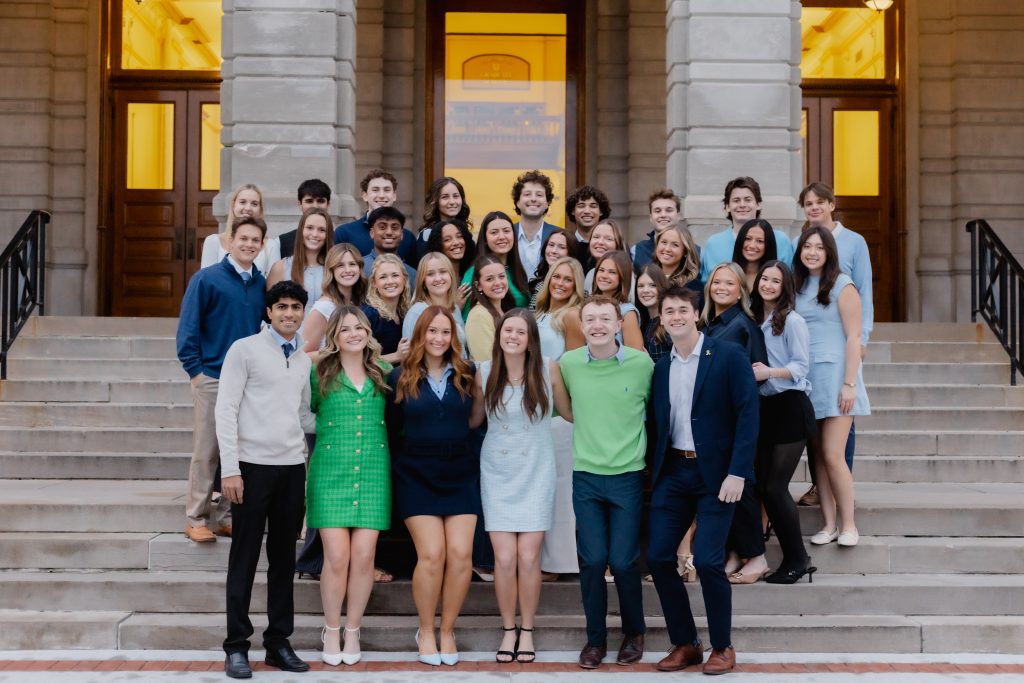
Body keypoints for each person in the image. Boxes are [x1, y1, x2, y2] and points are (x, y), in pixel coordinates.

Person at [645, 286, 760, 676]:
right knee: (659, 556)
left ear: (697, 314)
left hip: (718, 475)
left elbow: (748, 414)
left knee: (710, 561)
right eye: (668, 310)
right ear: (660, 318)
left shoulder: (726, 356)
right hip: (674, 472)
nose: (675, 316)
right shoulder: (661, 367)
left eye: (682, 309)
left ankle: (722, 646)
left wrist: (738, 472)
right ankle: (686, 643)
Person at [216, 281, 316, 679]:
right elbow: (225, 409)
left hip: (291, 470)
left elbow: (305, 414)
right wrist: (230, 468)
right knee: (243, 558)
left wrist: (343, 423)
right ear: (269, 311)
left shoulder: (304, 359)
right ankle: (236, 646)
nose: (289, 314)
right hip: (251, 468)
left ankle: (278, 642)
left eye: (296, 307)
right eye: (282, 307)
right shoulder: (245, 350)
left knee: (282, 561)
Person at [558, 295, 654, 669]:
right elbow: (564, 409)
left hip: (628, 475)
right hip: (587, 476)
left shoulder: (641, 364)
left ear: (619, 324)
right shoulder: (569, 364)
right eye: (590, 319)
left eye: (605, 319)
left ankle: (634, 632)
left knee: (625, 561)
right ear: (582, 327)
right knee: (593, 560)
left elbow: (657, 411)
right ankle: (595, 640)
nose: (597, 325)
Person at [385, 307, 485, 666]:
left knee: (460, 556)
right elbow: (393, 429)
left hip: (459, 473)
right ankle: (425, 630)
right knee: (432, 555)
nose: (439, 339)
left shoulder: (468, 373)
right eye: (432, 332)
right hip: (416, 473)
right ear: (420, 335)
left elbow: (475, 422)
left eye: (445, 332)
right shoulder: (400, 376)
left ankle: (447, 630)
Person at [479, 309, 570, 663]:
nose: (513, 336)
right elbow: (475, 418)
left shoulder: (549, 369)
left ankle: (528, 631)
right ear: (499, 335)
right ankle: (507, 630)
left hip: (536, 469)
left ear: (531, 338)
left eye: (520, 331)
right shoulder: (483, 372)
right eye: (507, 330)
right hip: (497, 470)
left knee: (529, 558)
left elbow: (568, 412)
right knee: (504, 559)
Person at [307, 305, 393, 667]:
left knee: (363, 557)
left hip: (373, 471)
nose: (354, 334)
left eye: (359, 328)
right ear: (334, 337)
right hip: (330, 472)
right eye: (345, 330)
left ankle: (353, 629)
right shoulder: (319, 372)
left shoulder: (383, 370)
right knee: (337, 556)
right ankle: (331, 628)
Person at [177, 215, 269, 544]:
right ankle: (197, 517)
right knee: (207, 449)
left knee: (241, 449)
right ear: (230, 241)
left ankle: (229, 515)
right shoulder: (206, 279)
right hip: (212, 376)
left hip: (248, 381)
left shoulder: (261, 284)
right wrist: (196, 372)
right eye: (243, 238)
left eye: (255, 240)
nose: (248, 244)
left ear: (262, 245)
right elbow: (187, 329)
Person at [793, 181, 873, 506]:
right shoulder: (799, 242)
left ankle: (843, 488)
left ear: (831, 204)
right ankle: (818, 488)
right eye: (808, 203)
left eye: (819, 202)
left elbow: (864, 292)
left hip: (843, 343)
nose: (813, 208)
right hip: (811, 352)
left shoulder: (854, 242)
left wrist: (863, 336)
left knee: (840, 426)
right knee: (817, 429)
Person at [700, 262, 769, 584]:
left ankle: (756, 556)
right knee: (721, 492)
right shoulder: (708, 325)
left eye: (729, 283)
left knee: (743, 488)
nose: (722, 287)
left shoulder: (744, 325)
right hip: (712, 421)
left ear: (740, 289)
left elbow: (756, 374)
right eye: (717, 282)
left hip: (735, 418)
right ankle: (733, 553)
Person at [749, 261, 817, 583]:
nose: (768, 284)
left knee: (776, 487)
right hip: (765, 408)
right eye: (765, 278)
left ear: (784, 287)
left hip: (790, 406)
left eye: (776, 281)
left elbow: (801, 367)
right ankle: (791, 556)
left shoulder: (792, 320)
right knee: (763, 486)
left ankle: (797, 558)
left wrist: (768, 372)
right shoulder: (755, 320)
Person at [532, 257, 585, 580]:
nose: (561, 283)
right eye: (557, 277)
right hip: (535, 410)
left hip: (559, 412)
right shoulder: (538, 314)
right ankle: (543, 558)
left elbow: (574, 366)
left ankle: (560, 562)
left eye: (569, 279)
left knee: (562, 488)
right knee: (543, 488)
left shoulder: (571, 316)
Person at [699, 177, 794, 282]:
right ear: (727, 207)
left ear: (758, 204)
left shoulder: (780, 240)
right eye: (736, 200)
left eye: (748, 200)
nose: (742, 205)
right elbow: (706, 284)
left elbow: (789, 282)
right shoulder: (714, 243)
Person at [334, 169, 416, 263]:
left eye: (387, 190)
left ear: (394, 196)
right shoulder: (345, 233)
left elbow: (412, 274)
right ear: (365, 196)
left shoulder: (408, 238)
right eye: (375, 190)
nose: (381, 195)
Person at [460, 211, 530, 317]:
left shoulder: (516, 269)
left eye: (506, 231)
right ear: (485, 239)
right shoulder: (474, 273)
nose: (501, 237)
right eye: (494, 232)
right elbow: (466, 319)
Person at [266, 207, 333, 317]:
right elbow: (271, 310)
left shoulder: (335, 268)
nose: (315, 234)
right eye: (310, 228)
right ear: (301, 230)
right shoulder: (280, 267)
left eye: (322, 230)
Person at [302, 243, 368, 354]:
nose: (348, 270)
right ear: (331, 270)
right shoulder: (323, 308)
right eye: (340, 265)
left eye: (352, 264)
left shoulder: (360, 302)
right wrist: (338, 355)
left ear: (359, 268)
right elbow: (304, 355)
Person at [201, 184, 281, 275]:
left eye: (254, 204)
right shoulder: (213, 241)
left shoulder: (271, 245)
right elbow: (206, 280)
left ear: (260, 209)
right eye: (242, 202)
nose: (248, 208)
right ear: (233, 205)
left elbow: (274, 286)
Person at [404, 252, 467, 352]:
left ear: (451, 275)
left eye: (443, 272)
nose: (438, 278)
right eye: (430, 274)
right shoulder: (417, 312)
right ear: (423, 281)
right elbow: (410, 355)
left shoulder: (455, 309)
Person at [362, 253, 411, 365]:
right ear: (374, 283)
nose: (390, 281)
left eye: (395, 275)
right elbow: (360, 360)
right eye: (383, 277)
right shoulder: (370, 315)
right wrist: (396, 356)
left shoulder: (405, 313)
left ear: (404, 279)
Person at [589, 251, 644, 351]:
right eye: (601, 270)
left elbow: (636, 356)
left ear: (622, 277)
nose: (604, 275)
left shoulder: (627, 312)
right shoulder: (588, 307)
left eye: (612, 272)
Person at [465, 254, 516, 361]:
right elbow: (486, 361)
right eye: (489, 279)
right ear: (478, 285)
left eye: (501, 276)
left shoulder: (506, 310)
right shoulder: (479, 315)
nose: (498, 283)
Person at [512, 170, 561, 278]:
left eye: (539, 195)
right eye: (527, 194)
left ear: (547, 203)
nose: (533, 199)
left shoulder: (559, 236)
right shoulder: (507, 235)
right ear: (518, 202)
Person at [415, 176, 472, 264]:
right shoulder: (427, 234)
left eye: (456, 196)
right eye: (445, 197)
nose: (452, 202)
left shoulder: (465, 232)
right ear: (435, 201)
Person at [631, 188, 686, 269]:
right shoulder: (637, 251)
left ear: (678, 216)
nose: (663, 215)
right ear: (651, 218)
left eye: (669, 210)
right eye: (657, 211)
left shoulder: (697, 253)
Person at [362, 206, 417, 283]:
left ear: (401, 234)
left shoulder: (412, 273)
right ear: (372, 233)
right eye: (382, 227)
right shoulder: (359, 267)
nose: (389, 232)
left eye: (394, 228)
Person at [280, 178, 332, 259]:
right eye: (309, 201)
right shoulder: (282, 242)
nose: (315, 206)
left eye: (320, 201)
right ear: (300, 204)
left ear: (328, 204)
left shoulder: (339, 240)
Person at [527, 229, 580, 307]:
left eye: (562, 247)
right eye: (551, 245)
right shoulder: (536, 284)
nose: (554, 251)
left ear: (571, 252)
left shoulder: (575, 287)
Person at [582, 220, 634, 299]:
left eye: (608, 239)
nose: (600, 242)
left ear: (618, 244)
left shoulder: (628, 277)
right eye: (596, 237)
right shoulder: (590, 275)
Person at [426, 217, 476, 296]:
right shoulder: (435, 280)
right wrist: (456, 306)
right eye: (447, 239)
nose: (456, 242)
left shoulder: (473, 273)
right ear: (438, 245)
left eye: (459, 236)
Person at [635, 264, 673, 363]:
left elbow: (681, 362)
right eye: (641, 286)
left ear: (662, 287)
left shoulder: (670, 322)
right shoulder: (643, 322)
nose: (646, 290)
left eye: (652, 285)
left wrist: (650, 363)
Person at [732, 218, 779, 292]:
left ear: (768, 245)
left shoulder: (778, 278)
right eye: (747, 239)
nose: (752, 246)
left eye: (760, 241)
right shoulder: (729, 274)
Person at [653, 225, 702, 291]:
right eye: (664, 242)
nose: (667, 249)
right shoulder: (647, 278)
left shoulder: (693, 286)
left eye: (675, 245)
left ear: (685, 252)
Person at [564, 185, 611, 251]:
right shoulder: (564, 245)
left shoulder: (612, 247)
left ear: (601, 211)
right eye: (581, 206)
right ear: (572, 211)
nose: (587, 211)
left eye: (593, 206)